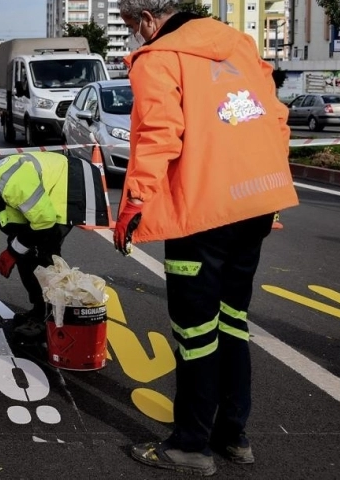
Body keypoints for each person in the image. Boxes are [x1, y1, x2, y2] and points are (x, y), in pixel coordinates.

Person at [113, 0, 299, 475]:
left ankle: (191, 445)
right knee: (234, 319)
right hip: (255, 203)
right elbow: (275, 119)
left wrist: (134, 202)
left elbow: (159, 134)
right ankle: (233, 435)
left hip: (202, 215)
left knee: (196, 332)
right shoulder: (238, 44)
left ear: (147, 20)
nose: (136, 36)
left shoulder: (159, 59)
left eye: (133, 27)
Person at [0, 151, 108, 337]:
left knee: (41, 251)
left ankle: (48, 317)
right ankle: (40, 310)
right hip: (44, 200)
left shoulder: (13, 184)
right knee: (23, 249)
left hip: (70, 182)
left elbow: (45, 222)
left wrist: (11, 252)